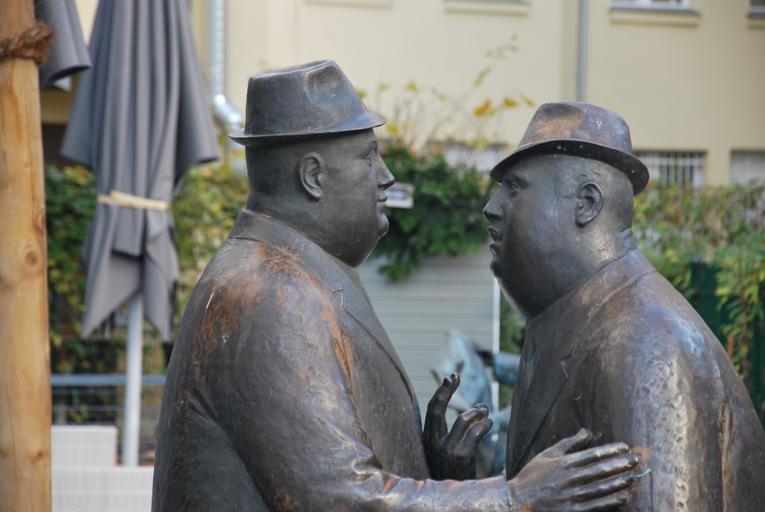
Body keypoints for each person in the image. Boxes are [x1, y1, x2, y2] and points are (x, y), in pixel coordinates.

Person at [152, 62, 639, 511]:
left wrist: (437, 466)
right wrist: (514, 498)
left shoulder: (298, 274)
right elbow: (339, 498)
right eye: (369, 159)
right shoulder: (268, 294)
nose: (386, 177)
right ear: (313, 176)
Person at [484, 101, 765, 511]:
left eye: (514, 188)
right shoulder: (573, 320)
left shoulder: (647, 342)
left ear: (586, 203)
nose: (491, 208)